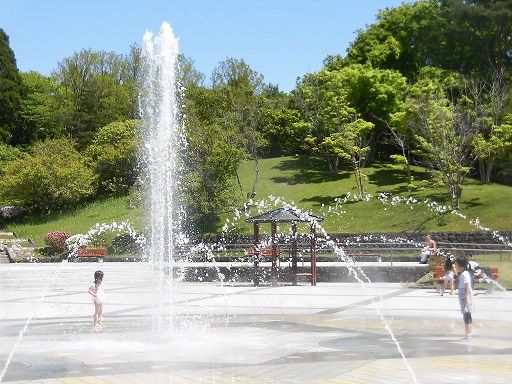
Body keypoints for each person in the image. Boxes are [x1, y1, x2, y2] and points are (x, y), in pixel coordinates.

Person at [453, 257, 473, 342]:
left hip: (465, 297)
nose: (455, 265)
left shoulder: (465, 274)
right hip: (463, 297)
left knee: (467, 317)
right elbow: (456, 275)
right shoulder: (462, 273)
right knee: (466, 316)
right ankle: (467, 335)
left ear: (460, 266)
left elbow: (468, 286)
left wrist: (466, 297)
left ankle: (468, 336)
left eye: (456, 264)